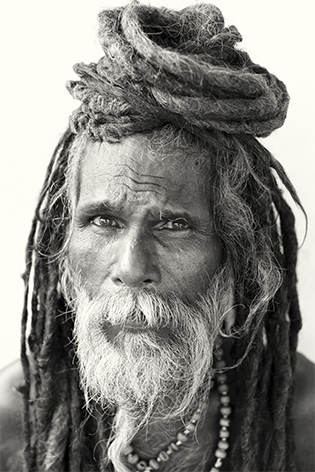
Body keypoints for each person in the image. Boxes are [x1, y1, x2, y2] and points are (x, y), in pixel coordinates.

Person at [0, 1, 314, 471]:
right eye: (103, 221)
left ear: (234, 258)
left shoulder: (301, 414)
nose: (131, 268)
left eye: (174, 225)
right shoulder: (11, 421)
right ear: (63, 253)